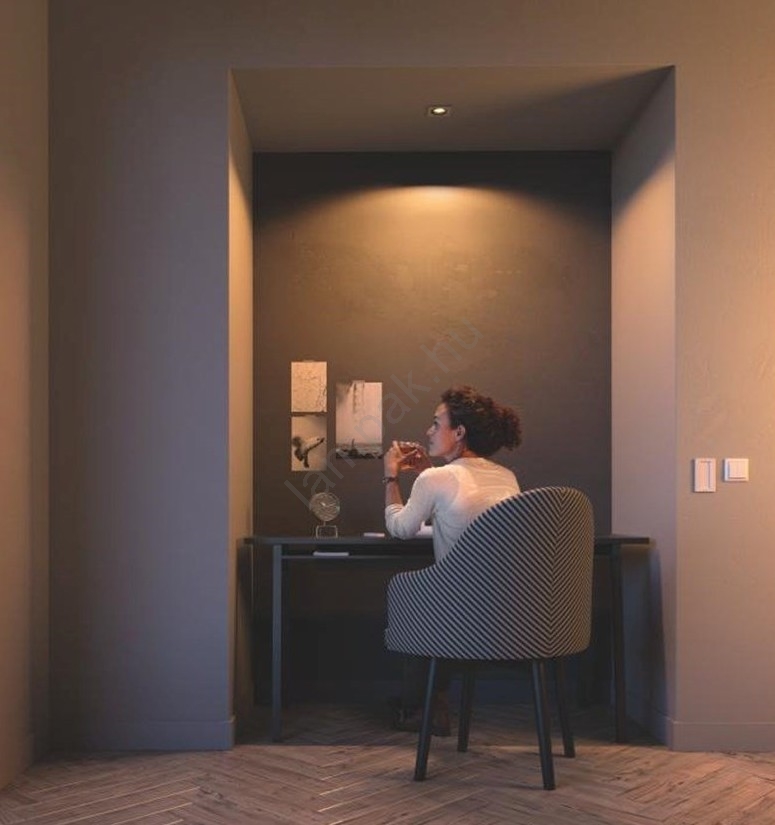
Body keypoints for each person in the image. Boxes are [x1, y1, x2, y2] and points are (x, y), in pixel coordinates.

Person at [382, 385, 523, 735]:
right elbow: (464, 512)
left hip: (459, 616)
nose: (428, 431)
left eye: (436, 423)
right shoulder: (506, 477)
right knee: (435, 596)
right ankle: (432, 704)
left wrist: (391, 476)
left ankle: (422, 708)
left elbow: (400, 528)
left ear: (458, 432)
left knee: (417, 598)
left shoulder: (437, 478)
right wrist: (426, 475)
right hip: (513, 612)